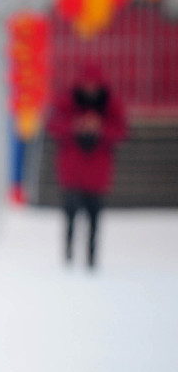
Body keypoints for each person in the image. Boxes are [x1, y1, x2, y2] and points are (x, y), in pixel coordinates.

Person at [45, 63, 127, 269]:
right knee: (70, 216)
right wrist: (75, 126)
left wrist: (100, 128)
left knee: (94, 220)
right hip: (72, 171)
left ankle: (91, 258)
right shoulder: (67, 101)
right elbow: (53, 125)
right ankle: (68, 255)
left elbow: (121, 130)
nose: (90, 88)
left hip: (97, 173)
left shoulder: (110, 105)